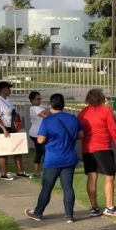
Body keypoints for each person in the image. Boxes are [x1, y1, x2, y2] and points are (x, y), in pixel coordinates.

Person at [25, 94, 81, 223]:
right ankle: (69, 215)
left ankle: (38, 212)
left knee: (47, 187)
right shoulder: (72, 118)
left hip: (53, 159)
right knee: (68, 187)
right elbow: (81, 134)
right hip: (69, 158)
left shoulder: (48, 120)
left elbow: (40, 140)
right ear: (63, 105)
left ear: (51, 105)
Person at [78, 88, 116, 217]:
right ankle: (109, 207)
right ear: (101, 97)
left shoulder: (82, 113)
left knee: (92, 177)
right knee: (109, 177)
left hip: (87, 149)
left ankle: (94, 207)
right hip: (103, 148)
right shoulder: (106, 110)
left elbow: (79, 131)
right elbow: (113, 129)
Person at [0, 81, 29, 181]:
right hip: (0, 128)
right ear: (3, 89)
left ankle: (20, 172)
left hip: (11, 127)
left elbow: (12, 113)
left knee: (18, 150)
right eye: (8, 88)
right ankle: (3, 174)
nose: (9, 90)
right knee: (3, 152)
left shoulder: (8, 100)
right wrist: (3, 129)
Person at [27, 91, 50, 177]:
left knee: (39, 152)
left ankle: (36, 172)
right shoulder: (34, 108)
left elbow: (48, 112)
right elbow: (46, 115)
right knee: (45, 152)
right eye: (38, 99)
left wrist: (47, 112)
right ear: (32, 100)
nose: (40, 100)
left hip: (36, 133)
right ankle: (46, 171)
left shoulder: (38, 107)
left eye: (40, 99)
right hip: (37, 134)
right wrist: (47, 112)